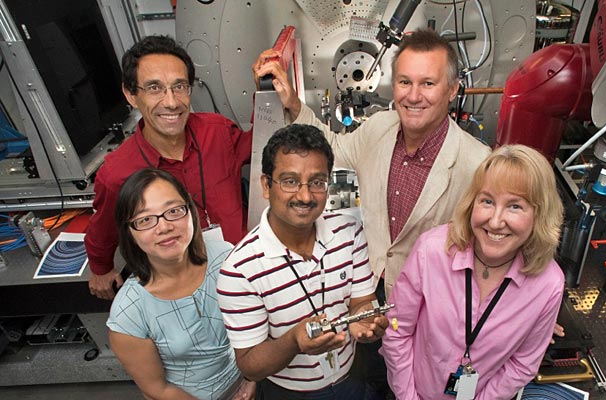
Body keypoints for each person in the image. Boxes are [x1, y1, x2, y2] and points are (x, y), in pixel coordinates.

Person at [254, 28, 492, 298]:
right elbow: (333, 147)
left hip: (430, 303)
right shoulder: (379, 127)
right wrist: (292, 103)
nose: (413, 96)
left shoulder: (477, 163)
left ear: (452, 90)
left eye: (428, 84)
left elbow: (495, 243)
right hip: (367, 291)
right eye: (405, 82)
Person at [216, 124, 388, 399]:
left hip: (351, 376)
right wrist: (293, 342)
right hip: (291, 392)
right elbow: (250, 364)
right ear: (266, 185)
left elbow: (361, 302)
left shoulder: (349, 232)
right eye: (290, 181)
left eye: (317, 182)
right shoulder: (239, 270)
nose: (305, 196)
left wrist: (365, 322)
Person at [382, 144, 565, 400]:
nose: (496, 221)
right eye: (487, 201)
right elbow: (396, 330)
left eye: (515, 206)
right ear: (472, 203)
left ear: (540, 215)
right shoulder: (432, 250)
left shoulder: (549, 284)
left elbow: (523, 364)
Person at [86, 35, 252, 300]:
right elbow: (101, 232)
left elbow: (261, 146)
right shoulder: (117, 174)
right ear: (131, 94)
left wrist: (271, 97)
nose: (172, 102)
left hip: (245, 272)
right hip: (184, 292)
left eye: (179, 87)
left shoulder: (217, 132)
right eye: (154, 88)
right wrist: (101, 268)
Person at [106, 168, 255, 400]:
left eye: (174, 211)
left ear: (190, 211)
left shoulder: (224, 257)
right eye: (145, 219)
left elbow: (255, 324)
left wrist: (251, 379)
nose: (164, 227)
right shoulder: (129, 314)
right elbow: (157, 388)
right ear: (129, 232)